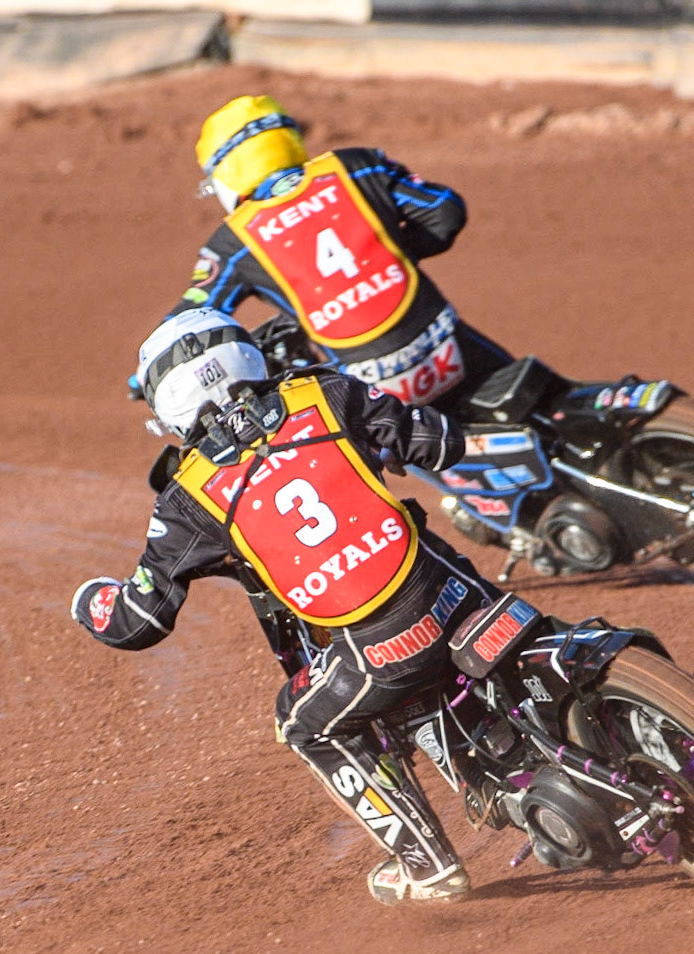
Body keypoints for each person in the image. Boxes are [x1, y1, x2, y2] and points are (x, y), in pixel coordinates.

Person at [73, 307, 503, 904]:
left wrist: (88, 603)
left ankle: (426, 864)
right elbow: (441, 442)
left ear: (167, 406)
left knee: (304, 723)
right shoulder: (323, 391)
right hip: (455, 591)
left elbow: (138, 622)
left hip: (380, 647)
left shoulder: (189, 496)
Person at [163, 94, 513, 412]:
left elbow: (191, 319)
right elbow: (445, 211)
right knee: (527, 393)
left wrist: (152, 371)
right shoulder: (357, 166)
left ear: (225, 172)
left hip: (372, 390)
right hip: (447, 341)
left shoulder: (232, 243)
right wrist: (389, 256)